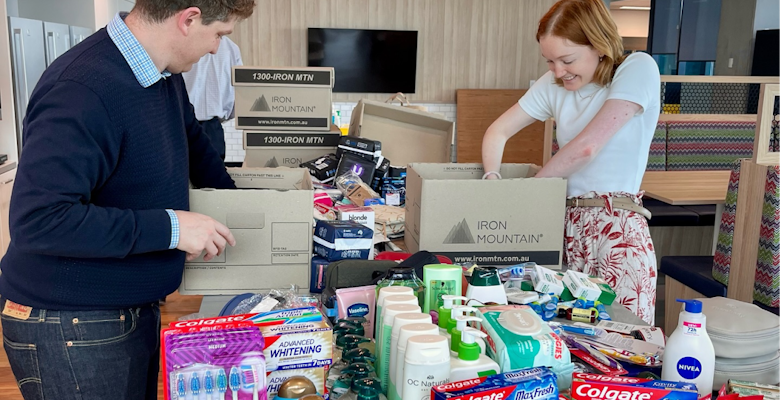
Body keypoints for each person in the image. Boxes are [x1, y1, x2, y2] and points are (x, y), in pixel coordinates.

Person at [0, 0, 255, 399]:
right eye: (219, 35)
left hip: (124, 307)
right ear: (188, 19)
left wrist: (256, 213)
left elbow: (196, 148)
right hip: (72, 321)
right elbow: (40, 219)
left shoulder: (160, 74)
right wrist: (171, 228)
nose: (217, 49)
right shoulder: (82, 89)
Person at [482, 0, 661, 324]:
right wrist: (492, 179)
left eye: (567, 60)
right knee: (569, 339)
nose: (558, 71)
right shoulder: (554, 85)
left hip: (617, 227)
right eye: (550, 61)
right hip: (565, 227)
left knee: (623, 343)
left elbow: (588, 147)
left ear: (599, 45)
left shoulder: (637, 68)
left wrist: (529, 192)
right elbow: (497, 131)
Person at [182, 36, 243, 160]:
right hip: (212, 128)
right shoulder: (231, 48)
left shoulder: (183, 42)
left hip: (182, 124)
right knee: (213, 176)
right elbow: (239, 90)